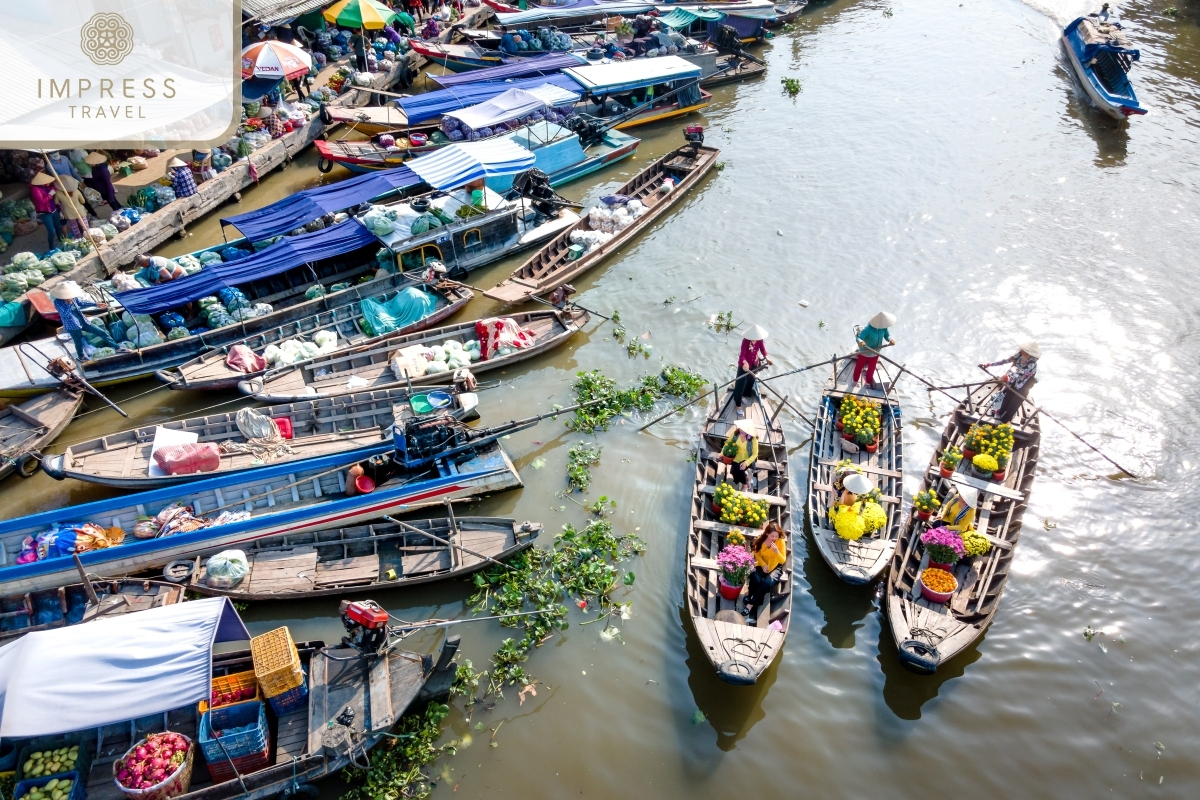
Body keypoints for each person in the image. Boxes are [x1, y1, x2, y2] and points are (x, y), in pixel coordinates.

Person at [50, 282, 117, 360]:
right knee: (78, 342)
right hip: (72, 325)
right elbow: (65, 314)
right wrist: (69, 303)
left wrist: (96, 304)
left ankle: (117, 347)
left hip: (83, 321)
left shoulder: (73, 298)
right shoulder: (58, 302)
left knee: (101, 332)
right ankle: (81, 356)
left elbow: (81, 302)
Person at [980, 340, 1039, 423]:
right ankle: (1000, 411)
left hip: (1025, 382)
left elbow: (1021, 374)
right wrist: (989, 365)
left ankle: (1005, 419)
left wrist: (1008, 378)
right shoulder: (1019, 355)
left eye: (1023, 349)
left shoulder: (1032, 363)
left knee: (1016, 401)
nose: (1021, 349)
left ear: (1028, 352)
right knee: (1008, 394)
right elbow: (1005, 361)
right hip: (1015, 378)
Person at [743, 522, 786, 623]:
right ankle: (750, 594)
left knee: (766, 583)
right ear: (767, 534)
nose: (774, 538)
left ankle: (750, 604)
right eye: (772, 536)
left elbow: (782, 560)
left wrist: (777, 552)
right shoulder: (760, 540)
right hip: (763, 565)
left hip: (775, 566)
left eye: (776, 536)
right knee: (755, 577)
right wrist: (762, 565)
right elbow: (757, 554)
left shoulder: (780, 542)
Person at [733, 324, 770, 418]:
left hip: (754, 365)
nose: (756, 339)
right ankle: (738, 405)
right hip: (744, 367)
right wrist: (745, 363)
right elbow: (742, 355)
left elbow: (763, 350)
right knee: (741, 385)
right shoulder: (745, 342)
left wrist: (767, 358)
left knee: (749, 382)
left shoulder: (759, 341)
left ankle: (743, 396)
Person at [854, 311, 896, 386]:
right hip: (865, 352)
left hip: (876, 353)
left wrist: (890, 340)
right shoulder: (868, 328)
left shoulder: (884, 328)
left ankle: (868, 383)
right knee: (859, 366)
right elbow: (859, 338)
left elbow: (887, 336)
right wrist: (861, 342)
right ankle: (855, 381)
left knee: (872, 369)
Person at [722, 418, 759, 491]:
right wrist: (721, 453)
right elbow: (727, 443)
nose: (741, 430)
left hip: (747, 459)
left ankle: (745, 485)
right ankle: (747, 478)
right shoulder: (735, 434)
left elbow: (755, 454)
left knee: (739, 470)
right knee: (733, 471)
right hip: (736, 457)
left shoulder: (753, 440)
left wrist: (746, 463)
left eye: (743, 429)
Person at [29, 172, 61, 253]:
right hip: (45, 213)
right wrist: (50, 195)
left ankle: (62, 242)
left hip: (54, 210)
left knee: (58, 227)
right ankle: (51, 248)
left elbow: (52, 189)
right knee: (51, 231)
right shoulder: (35, 190)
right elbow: (42, 201)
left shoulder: (45, 187)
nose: (49, 183)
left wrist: (56, 187)